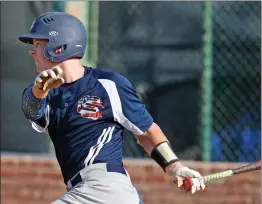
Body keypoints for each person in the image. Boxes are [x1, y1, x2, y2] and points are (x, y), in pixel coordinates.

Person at [19, 12, 205, 204]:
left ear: (59, 47)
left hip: (104, 188)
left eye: (38, 45)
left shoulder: (108, 84)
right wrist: (38, 91)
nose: (32, 52)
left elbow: (147, 132)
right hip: (85, 191)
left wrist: (175, 167)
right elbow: (32, 110)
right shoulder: (44, 96)